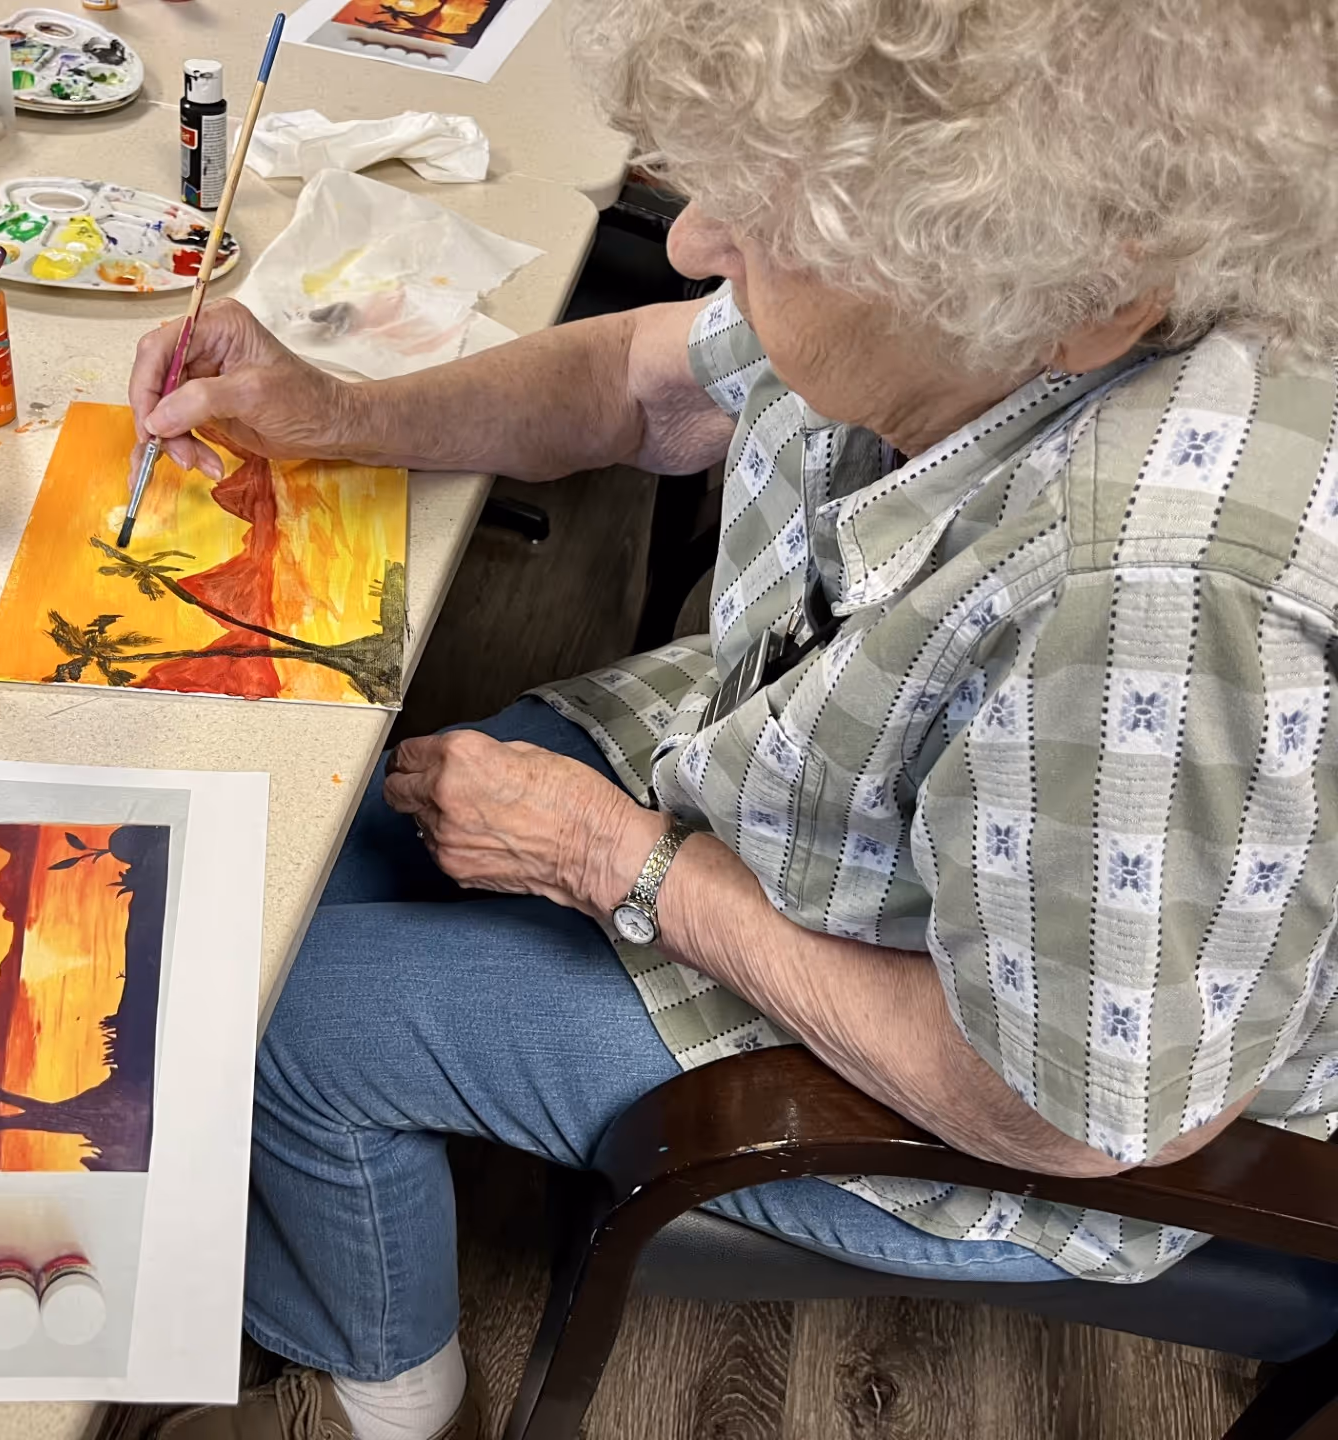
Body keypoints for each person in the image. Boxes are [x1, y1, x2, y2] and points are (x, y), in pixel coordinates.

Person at [141, 2, 1338, 1436]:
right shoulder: (973, 284)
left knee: (284, 1010)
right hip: (812, 786)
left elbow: (1073, 1114)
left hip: (1011, 1078)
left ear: (1081, 301)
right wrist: (340, 412)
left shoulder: (1152, 597)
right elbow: (639, 386)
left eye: (773, 226)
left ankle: (388, 1398)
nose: (695, 241)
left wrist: (622, 863)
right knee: (285, 863)